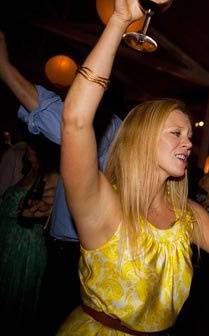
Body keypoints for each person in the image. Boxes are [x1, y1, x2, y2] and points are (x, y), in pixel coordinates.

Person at [57, 1, 209, 334]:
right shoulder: (102, 205)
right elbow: (75, 121)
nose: (188, 143)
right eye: (176, 133)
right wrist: (120, 21)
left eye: (190, 135)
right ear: (142, 139)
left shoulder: (188, 215)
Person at [0, 29, 122, 334]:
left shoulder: (110, 131)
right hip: (56, 245)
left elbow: (58, 118)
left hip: (81, 254)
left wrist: (6, 70)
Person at [0, 135, 58, 333]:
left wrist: (45, 211)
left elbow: (50, 215)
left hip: (26, 246)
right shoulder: (26, 171)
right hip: (7, 242)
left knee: (17, 299)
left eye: (36, 146)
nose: (30, 149)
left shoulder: (50, 177)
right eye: (31, 145)